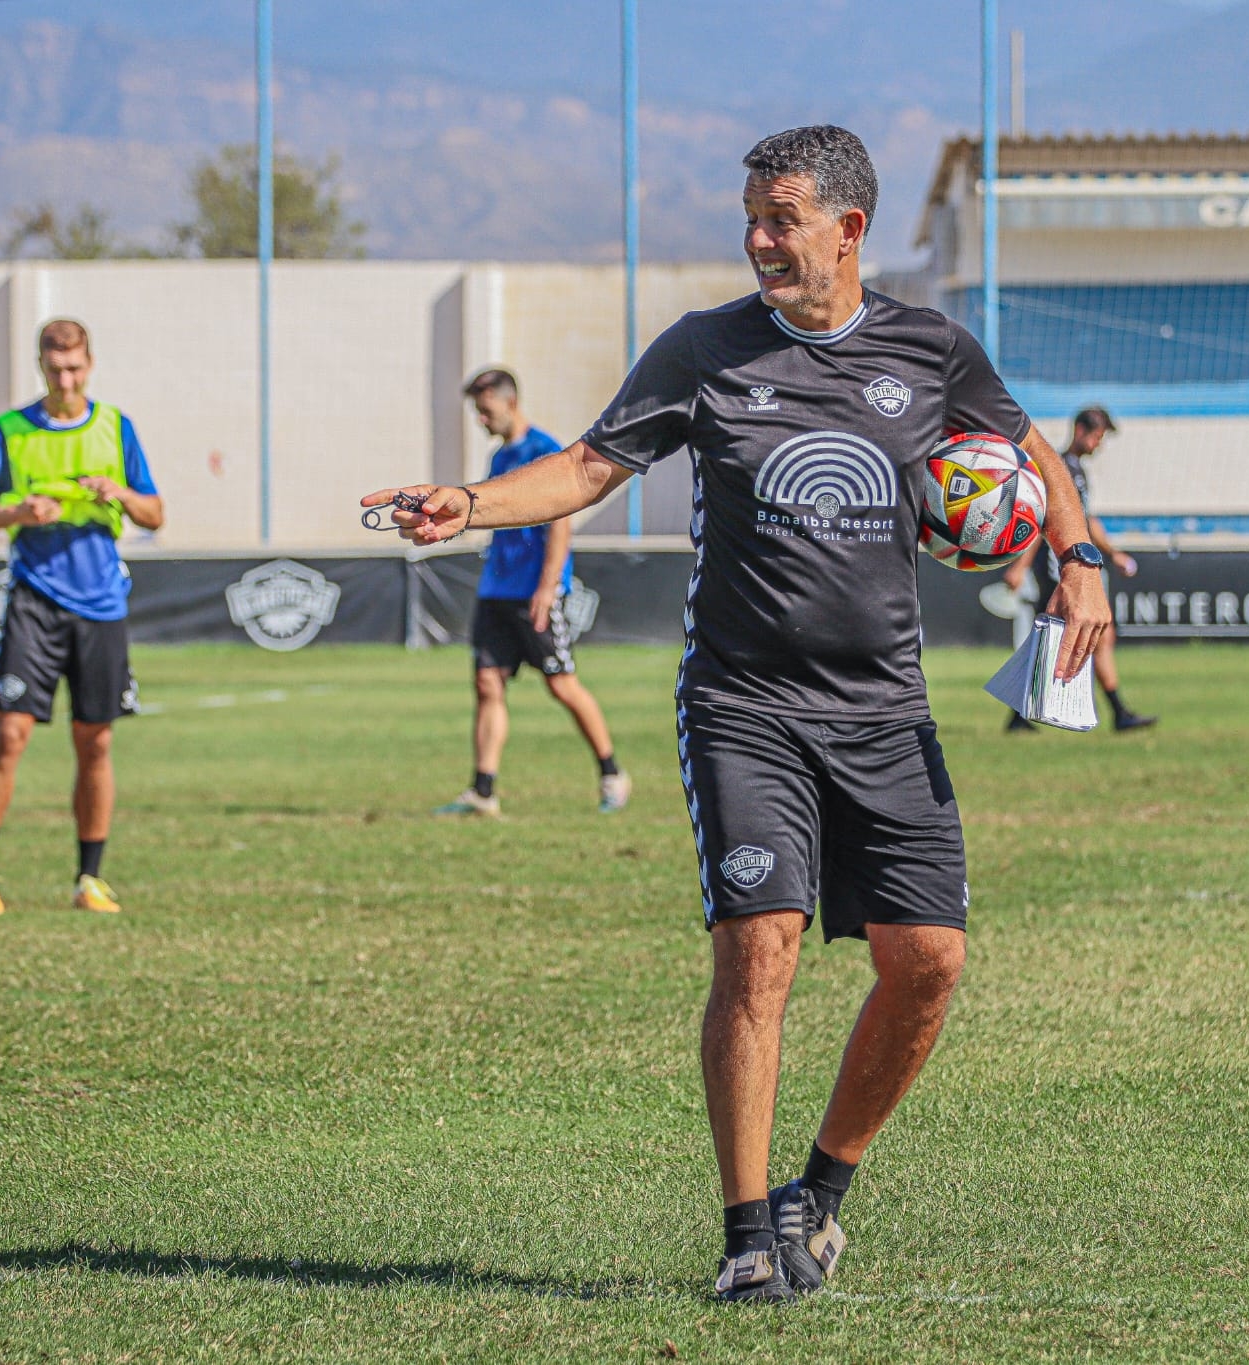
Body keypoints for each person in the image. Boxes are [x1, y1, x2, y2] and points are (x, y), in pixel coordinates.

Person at [363, 125, 1109, 1302]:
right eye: (750, 220)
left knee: (928, 964)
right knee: (758, 951)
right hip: (743, 703)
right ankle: (747, 1233)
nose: (759, 241)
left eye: (782, 221)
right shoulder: (703, 350)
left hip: (885, 711)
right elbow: (590, 469)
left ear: (848, 231)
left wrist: (1078, 559)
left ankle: (822, 1192)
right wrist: (468, 505)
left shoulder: (930, 350)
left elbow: (1029, 458)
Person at [0, 319, 164, 914]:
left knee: (94, 741)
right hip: (34, 603)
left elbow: (154, 513)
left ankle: (89, 879)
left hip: (100, 605)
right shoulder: (12, 430)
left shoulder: (115, 427)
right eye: (54, 369)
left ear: (90, 365)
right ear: (41, 367)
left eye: (74, 368)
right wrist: (17, 511)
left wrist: (117, 493)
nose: (65, 379)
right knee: (8, 734)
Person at [433, 367, 631, 817]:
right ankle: (483, 791)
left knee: (561, 684)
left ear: (511, 402)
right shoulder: (500, 458)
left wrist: (547, 588)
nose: (481, 421)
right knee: (487, 683)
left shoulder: (544, 450)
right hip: (496, 590)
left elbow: (561, 525)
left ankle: (612, 773)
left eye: (486, 412)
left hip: (533, 593)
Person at [1000, 406, 1155, 732]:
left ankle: (1022, 715)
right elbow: (1041, 522)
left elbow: (1087, 521)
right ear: (1082, 431)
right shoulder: (1058, 469)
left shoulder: (1078, 472)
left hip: (1071, 565)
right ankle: (1117, 713)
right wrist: (1019, 567)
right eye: (1098, 436)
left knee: (1068, 639)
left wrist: (1113, 553)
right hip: (1062, 568)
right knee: (1075, 637)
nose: (1099, 444)